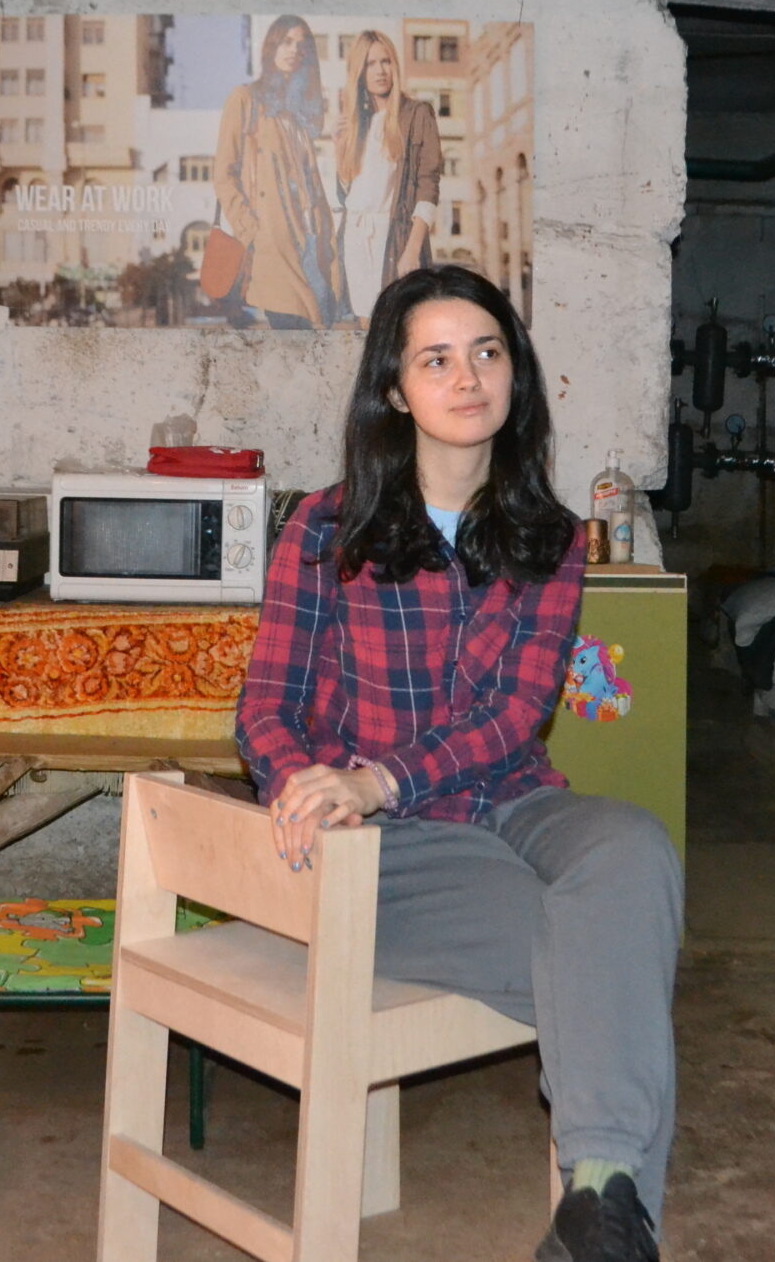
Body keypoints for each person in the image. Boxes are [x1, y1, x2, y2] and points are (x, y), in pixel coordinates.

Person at [237, 264, 681, 1262]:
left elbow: (516, 714)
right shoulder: (326, 528)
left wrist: (384, 772)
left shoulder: (552, 538)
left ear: (515, 373)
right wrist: (310, 787)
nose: (467, 377)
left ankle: (594, 1206)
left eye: (486, 352)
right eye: (435, 359)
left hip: (508, 798)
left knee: (634, 854)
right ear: (395, 390)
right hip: (381, 842)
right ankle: (610, 1211)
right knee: (609, 954)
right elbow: (264, 707)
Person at [213, 14, 341, 328]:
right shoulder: (245, 99)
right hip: (274, 244)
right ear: (271, 46)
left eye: (302, 45)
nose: (294, 50)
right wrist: (251, 231)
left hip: (312, 242)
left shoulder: (298, 114)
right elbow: (223, 173)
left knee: (319, 331)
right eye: (286, 41)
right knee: (293, 334)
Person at [331, 29, 444, 322]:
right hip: (355, 239)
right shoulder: (358, 124)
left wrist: (412, 249)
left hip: (393, 239)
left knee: (399, 324)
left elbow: (428, 184)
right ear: (359, 72)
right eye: (370, 64)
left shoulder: (417, 114)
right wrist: (340, 149)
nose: (380, 71)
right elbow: (346, 194)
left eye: (386, 61)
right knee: (364, 327)